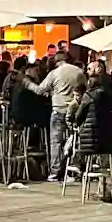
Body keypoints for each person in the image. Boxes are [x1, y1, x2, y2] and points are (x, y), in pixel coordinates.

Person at [30, 50, 84, 182]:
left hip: (58, 110)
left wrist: (27, 83)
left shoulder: (54, 73)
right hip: (75, 110)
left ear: (57, 61)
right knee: (75, 140)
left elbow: (40, 89)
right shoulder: (78, 71)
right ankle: (74, 168)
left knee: (56, 142)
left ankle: (55, 172)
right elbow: (85, 89)